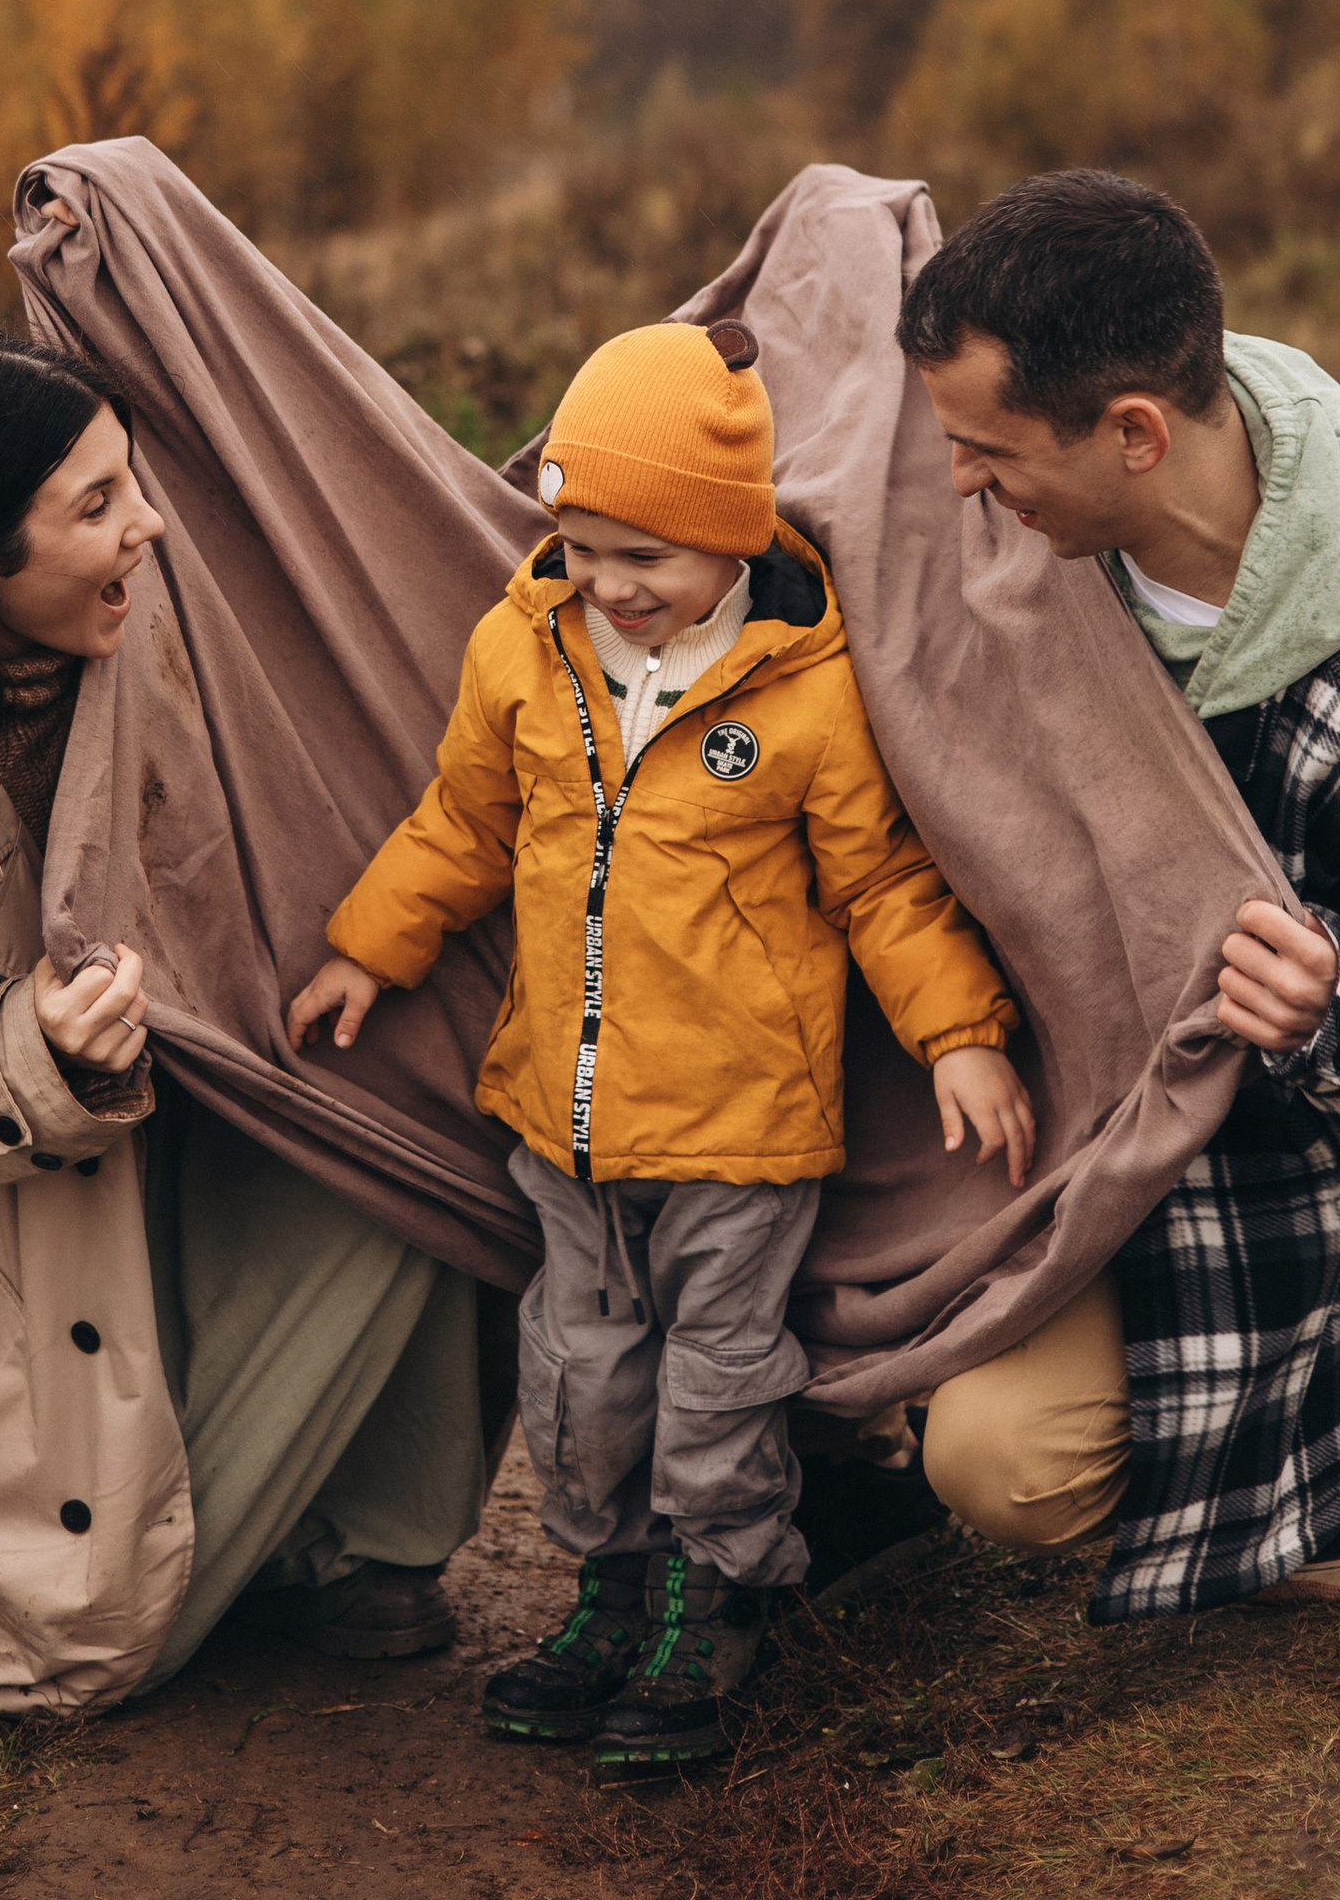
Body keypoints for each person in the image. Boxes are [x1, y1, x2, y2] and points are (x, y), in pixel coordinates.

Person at [287, 314, 1037, 1779]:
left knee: (719, 1381)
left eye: (648, 558)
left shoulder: (802, 689)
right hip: (560, 1121)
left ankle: (721, 1595)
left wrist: (957, 1034)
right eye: (582, 546)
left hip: (745, 1132)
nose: (610, 587)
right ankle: (605, 1593)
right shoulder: (522, 650)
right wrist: (366, 951)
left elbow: (881, 884)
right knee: (578, 1374)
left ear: (729, 543)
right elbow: (461, 825)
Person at [0, 330, 488, 1761]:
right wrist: (34, 1045)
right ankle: (210, 1534)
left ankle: (357, 1541)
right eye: (95, 507)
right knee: (79, 1640)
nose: (147, 525)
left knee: (417, 1145)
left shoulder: (154, 635)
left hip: (205, 1147)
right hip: (23, 1243)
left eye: (133, 482)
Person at [898, 167, 1340, 1612]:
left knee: (998, 1464)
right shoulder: (1053, 543)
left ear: (1134, 434)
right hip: (1049, 1100)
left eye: (988, 451)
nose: (960, 482)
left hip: (1257, 1198)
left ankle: (1320, 1459)